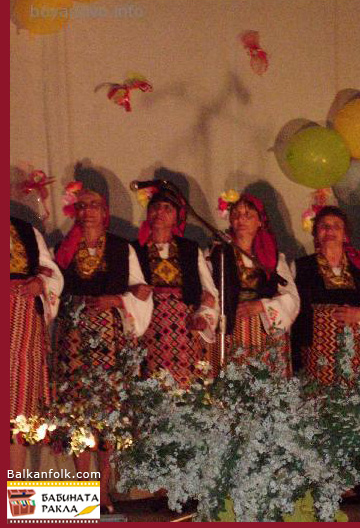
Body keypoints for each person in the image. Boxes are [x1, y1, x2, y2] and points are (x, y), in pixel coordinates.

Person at [53, 182, 152, 513]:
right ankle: (84, 489)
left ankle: (103, 487)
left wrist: (116, 299)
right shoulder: (64, 248)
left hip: (111, 335)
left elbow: (141, 291)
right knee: (79, 410)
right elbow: (54, 287)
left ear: (105, 211)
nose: (87, 211)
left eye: (93, 204)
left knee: (110, 412)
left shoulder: (123, 249)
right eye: (81, 206)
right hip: (74, 336)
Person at [291, 205, 360, 386]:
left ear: (345, 235)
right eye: (324, 226)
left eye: (336, 226)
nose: (330, 230)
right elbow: (289, 306)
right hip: (314, 358)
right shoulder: (300, 267)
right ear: (316, 234)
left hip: (356, 355)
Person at [131, 185, 219, 388]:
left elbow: (209, 291)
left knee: (186, 383)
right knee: (151, 382)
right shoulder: (135, 248)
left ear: (177, 217)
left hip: (184, 327)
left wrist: (203, 316)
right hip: (149, 324)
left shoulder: (189, 249)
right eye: (155, 207)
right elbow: (126, 286)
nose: (159, 212)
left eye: (167, 208)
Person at [209, 193, 299, 377]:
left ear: (260, 221)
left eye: (248, 214)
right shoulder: (218, 253)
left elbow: (291, 298)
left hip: (263, 332)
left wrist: (262, 306)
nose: (241, 218)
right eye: (236, 214)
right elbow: (208, 290)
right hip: (229, 332)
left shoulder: (273, 258)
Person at [10, 216, 63, 473]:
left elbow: (53, 274)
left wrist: (40, 283)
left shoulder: (26, 231)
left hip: (23, 323)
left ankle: (13, 488)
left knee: (19, 408)